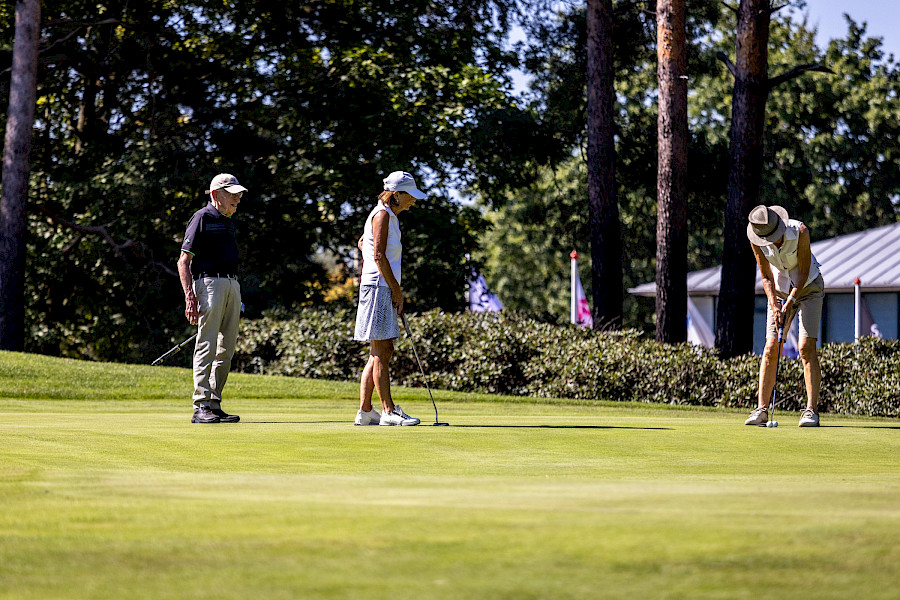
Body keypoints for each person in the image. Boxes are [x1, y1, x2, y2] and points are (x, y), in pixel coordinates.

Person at [353, 171, 426, 426]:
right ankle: (388, 411)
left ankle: (365, 411)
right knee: (383, 351)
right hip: (379, 288)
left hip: (378, 286)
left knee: (378, 351)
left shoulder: (387, 215)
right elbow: (379, 256)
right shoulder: (382, 214)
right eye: (410, 196)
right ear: (396, 194)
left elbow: (364, 242)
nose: (413, 201)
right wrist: (396, 289)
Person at [744, 205, 825, 427]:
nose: (773, 241)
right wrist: (775, 304)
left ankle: (811, 410)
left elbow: (805, 271)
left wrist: (790, 302)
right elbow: (766, 276)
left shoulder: (800, 232)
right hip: (778, 293)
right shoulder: (756, 239)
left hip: (808, 288)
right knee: (771, 347)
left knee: (805, 347)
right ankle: (761, 409)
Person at [177, 173, 247, 424]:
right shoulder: (202, 218)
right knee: (206, 344)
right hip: (208, 284)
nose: (237, 199)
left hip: (231, 283)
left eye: (238, 194)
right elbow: (183, 261)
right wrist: (190, 297)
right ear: (216, 195)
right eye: (232, 194)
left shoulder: (228, 221)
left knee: (226, 348)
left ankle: (214, 402)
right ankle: (200, 404)